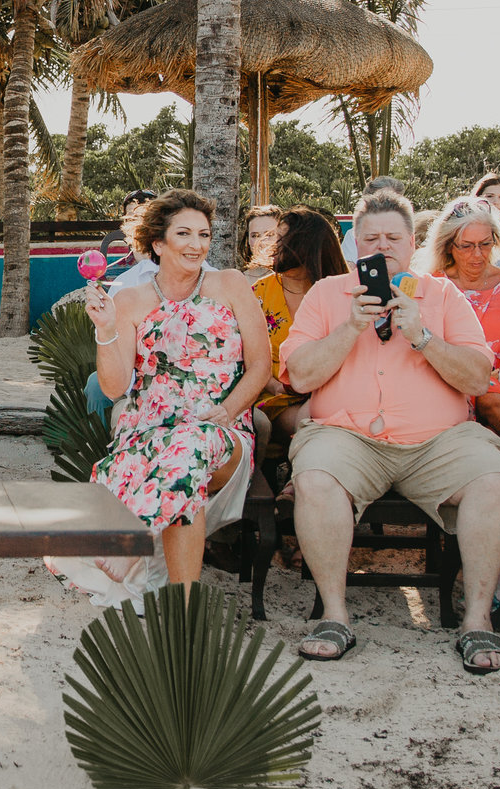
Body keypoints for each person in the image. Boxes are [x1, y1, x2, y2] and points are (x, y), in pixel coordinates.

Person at [280, 190, 500, 674]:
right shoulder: (326, 295)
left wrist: (424, 336)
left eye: (392, 237)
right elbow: (300, 377)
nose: (382, 246)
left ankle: (476, 620)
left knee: (493, 477)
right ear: (355, 245)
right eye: (371, 238)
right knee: (316, 477)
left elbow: (477, 377)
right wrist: (349, 328)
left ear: (411, 244)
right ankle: (335, 616)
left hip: (439, 441)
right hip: (346, 436)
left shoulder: (444, 295)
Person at [57, 190, 269, 604]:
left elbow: (261, 366)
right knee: (179, 457)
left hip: (221, 431)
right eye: (185, 233)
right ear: (158, 243)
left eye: (204, 235)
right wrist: (105, 329)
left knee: (188, 443)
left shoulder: (231, 285)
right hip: (150, 431)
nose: (197, 244)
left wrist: (225, 412)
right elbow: (116, 388)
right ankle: (183, 606)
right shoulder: (130, 300)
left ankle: (130, 537)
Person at [420, 196, 500, 436]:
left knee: (491, 396)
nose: (477, 254)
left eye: (485, 244)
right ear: (449, 246)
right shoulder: (432, 287)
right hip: (448, 382)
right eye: (467, 246)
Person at [251, 208, 347, 463]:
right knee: (311, 416)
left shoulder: (342, 291)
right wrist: (277, 385)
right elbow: (245, 355)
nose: (274, 245)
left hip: (335, 389)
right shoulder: (258, 293)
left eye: (283, 240)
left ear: (307, 247)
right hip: (275, 394)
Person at [336, 174, 404, 263]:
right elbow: (349, 269)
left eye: (395, 203)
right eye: (384, 202)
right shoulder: (354, 235)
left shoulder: (409, 232)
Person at [110, 189, 160, 290]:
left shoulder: (174, 268)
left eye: (145, 218)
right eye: (132, 219)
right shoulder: (109, 275)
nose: (138, 224)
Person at [242, 204, 284, 272]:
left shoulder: (297, 278)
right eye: (255, 236)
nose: (262, 241)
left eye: (269, 234)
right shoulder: (238, 280)